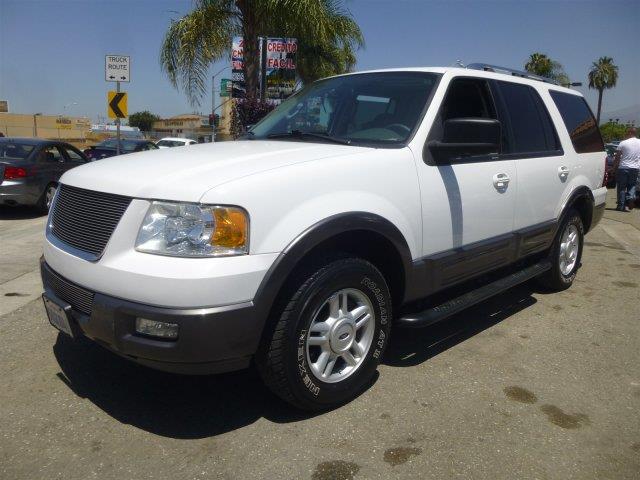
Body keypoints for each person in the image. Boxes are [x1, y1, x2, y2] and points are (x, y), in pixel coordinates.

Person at [613, 127, 640, 211]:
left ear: (629, 133)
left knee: (621, 187)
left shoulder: (623, 143)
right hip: (635, 168)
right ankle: (631, 198)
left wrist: (614, 168)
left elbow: (617, 157)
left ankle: (621, 206)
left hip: (623, 168)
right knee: (632, 185)